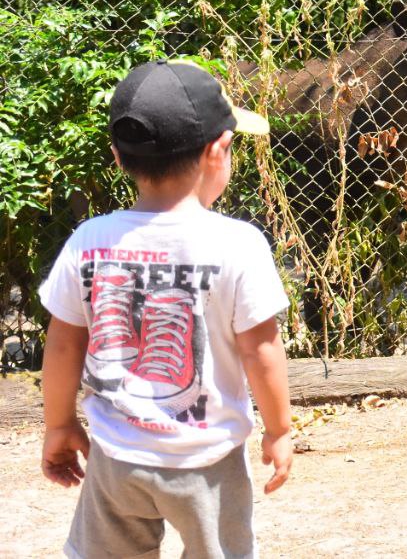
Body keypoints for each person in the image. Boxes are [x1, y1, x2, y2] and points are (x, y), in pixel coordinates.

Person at [39, 59, 293, 557]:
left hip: (116, 458)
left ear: (117, 156)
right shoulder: (238, 244)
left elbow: (64, 344)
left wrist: (59, 424)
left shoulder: (88, 240)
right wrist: (280, 429)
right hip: (209, 461)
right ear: (218, 151)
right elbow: (261, 348)